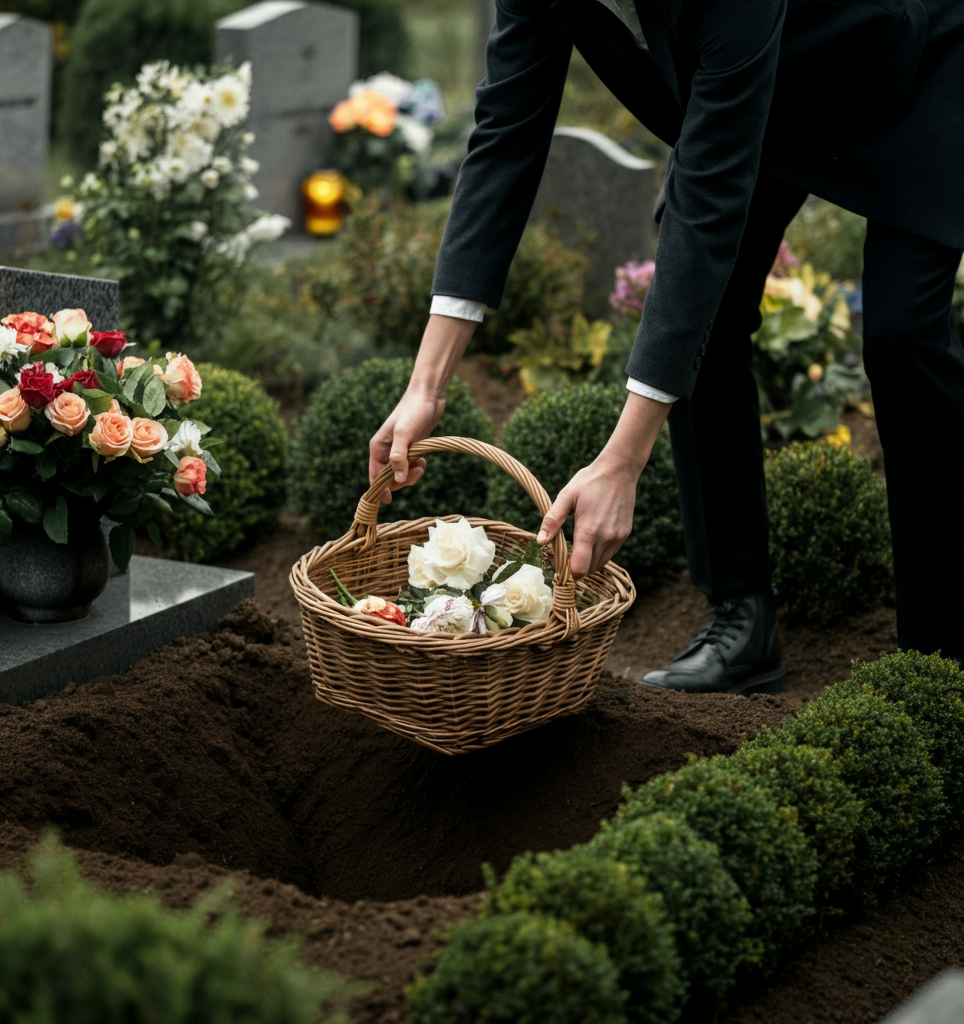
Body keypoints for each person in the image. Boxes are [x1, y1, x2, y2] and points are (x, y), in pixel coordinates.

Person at [368, 0, 964, 690]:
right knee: (701, 321)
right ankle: (743, 616)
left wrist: (622, 461)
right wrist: (426, 387)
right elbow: (505, 136)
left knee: (903, 335)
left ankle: (942, 652)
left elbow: (706, 202)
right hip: (766, 97)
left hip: (913, 66)